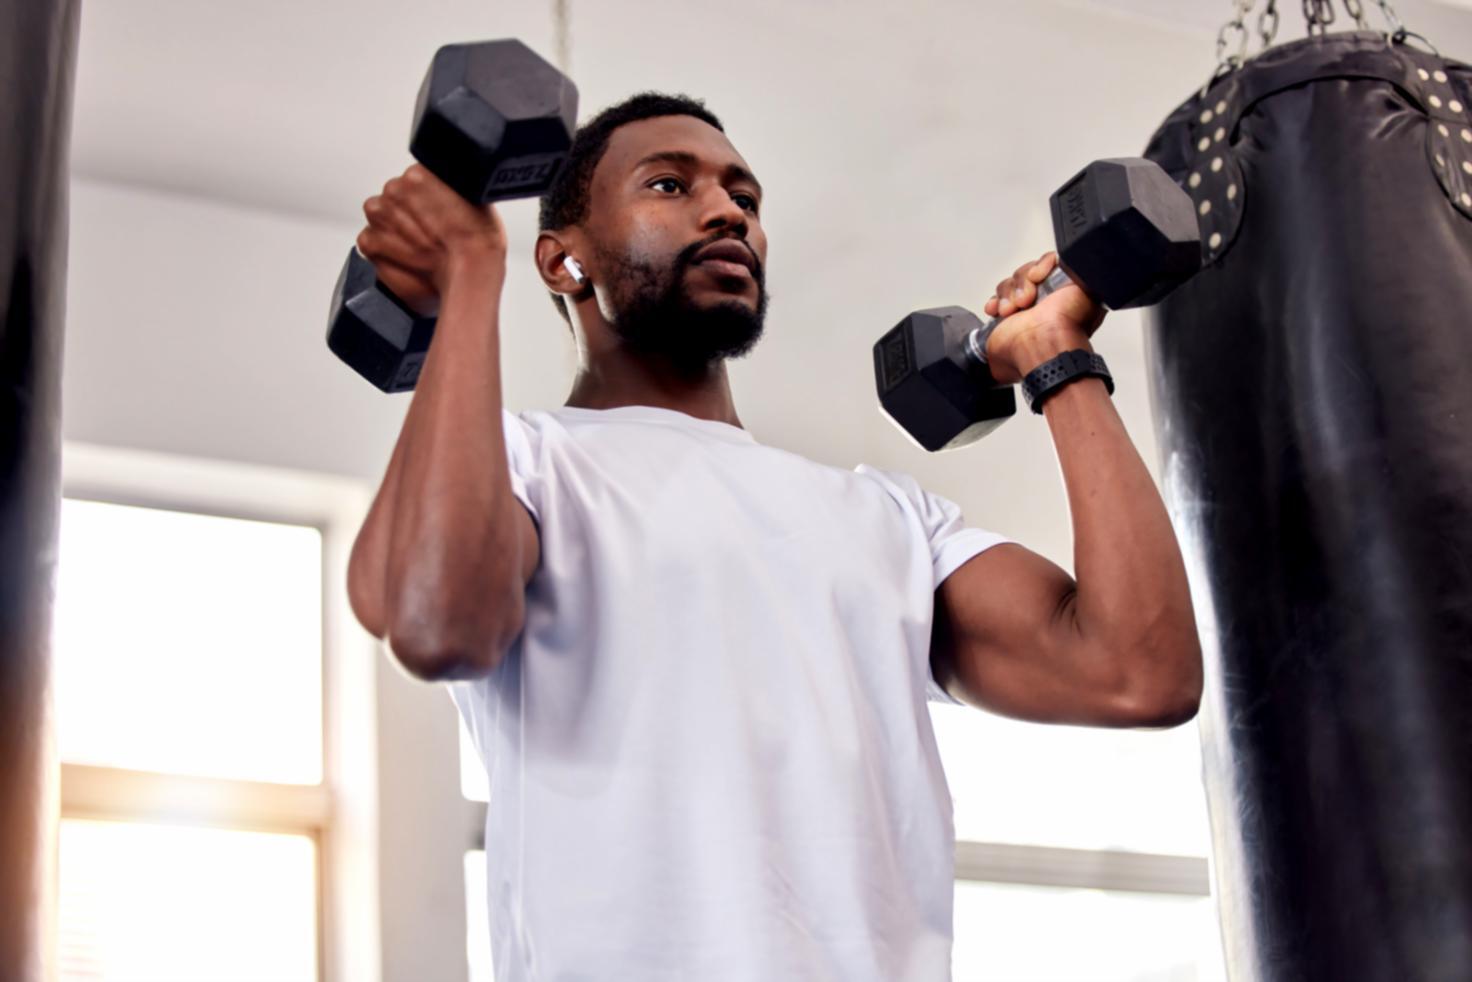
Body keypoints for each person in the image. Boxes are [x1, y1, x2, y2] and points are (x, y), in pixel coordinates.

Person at [345, 92, 1202, 981]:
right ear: (563, 262)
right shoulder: (526, 463)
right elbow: (437, 620)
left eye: (745, 200)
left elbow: (1139, 672)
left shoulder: (889, 520)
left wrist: (1056, 361)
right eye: (670, 184)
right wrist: (469, 274)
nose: (726, 213)